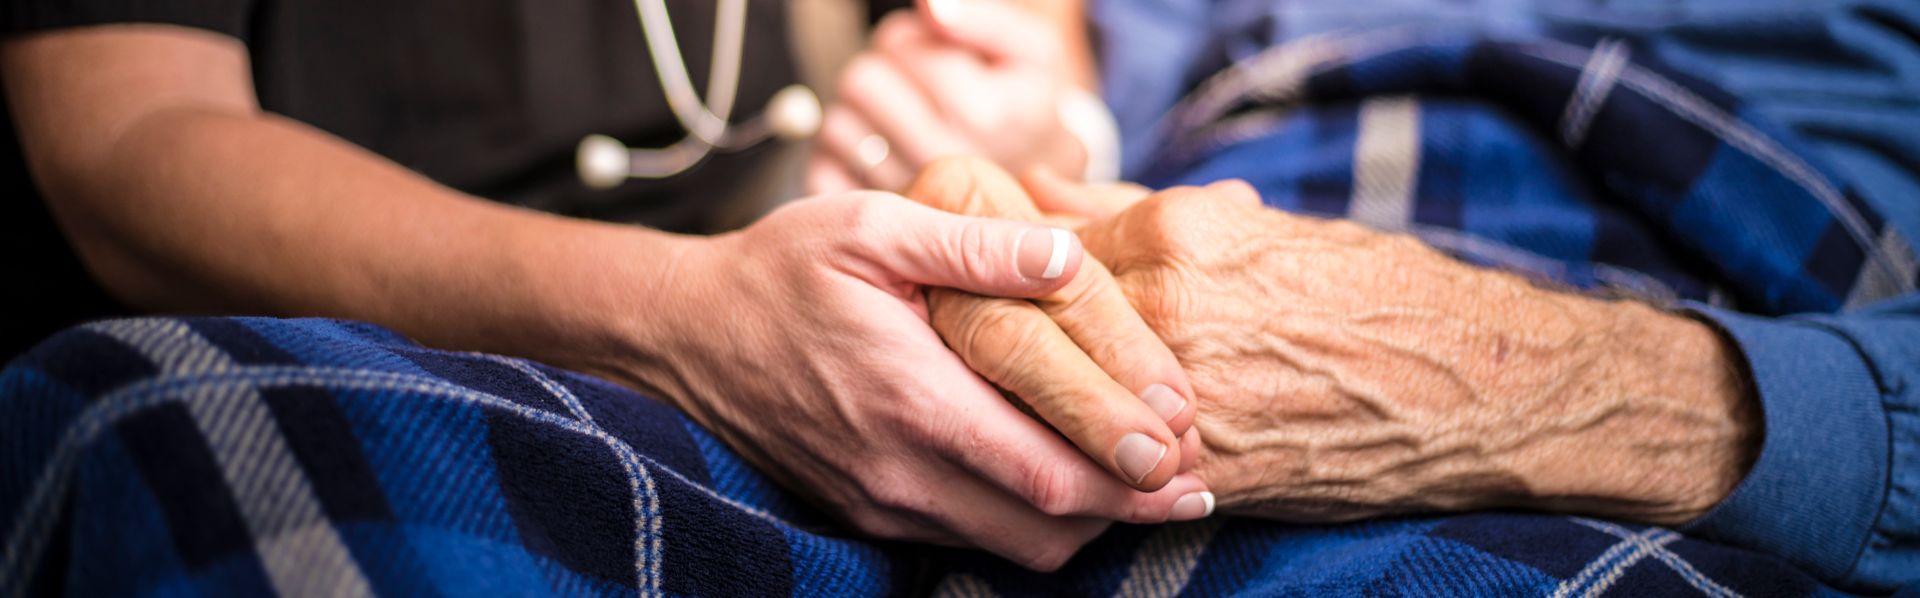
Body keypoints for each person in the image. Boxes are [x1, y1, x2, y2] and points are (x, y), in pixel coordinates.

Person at [0, 0, 1214, 571]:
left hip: (834, 313)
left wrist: (1040, 111)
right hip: (445, 356)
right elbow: (126, 140)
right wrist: (681, 321)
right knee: (173, 435)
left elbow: (1028, 38)